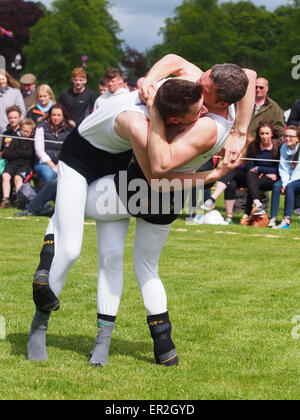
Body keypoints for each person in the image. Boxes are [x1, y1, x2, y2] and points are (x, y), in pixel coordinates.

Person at [27, 59, 256, 364]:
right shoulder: (164, 114)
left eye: (205, 92)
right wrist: (217, 166)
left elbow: (160, 172)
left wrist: (238, 135)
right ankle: (155, 346)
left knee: (106, 251)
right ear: (174, 119)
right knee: (106, 257)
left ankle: (92, 338)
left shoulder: (199, 114)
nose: (198, 95)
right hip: (114, 171)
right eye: (201, 83)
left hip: (140, 181)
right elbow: (158, 173)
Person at [234, 119, 282, 225]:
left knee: (253, 183)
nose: (264, 136)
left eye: (267, 133)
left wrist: (260, 168)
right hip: (255, 177)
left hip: (270, 179)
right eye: (262, 133)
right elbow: (250, 166)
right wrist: (261, 170)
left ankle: (247, 212)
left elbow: (279, 168)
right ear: (259, 134)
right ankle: (257, 203)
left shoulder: (278, 147)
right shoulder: (253, 145)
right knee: (251, 176)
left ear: (272, 134)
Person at [34, 104, 74, 185]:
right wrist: (52, 166)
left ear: (63, 116)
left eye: (59, 115)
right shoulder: (41, 127)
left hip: (63, 163)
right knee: (49, 175)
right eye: (54, 115)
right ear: (50, 116)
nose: (56, 118)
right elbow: (39, 151)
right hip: (43, 163)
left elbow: (70, 151)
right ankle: (47, 196)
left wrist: (59, 166)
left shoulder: (69, 129)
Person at [268, 126, 300, 229]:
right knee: (276, 186)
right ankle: (273, 219)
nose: (287, 138)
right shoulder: (283, 147)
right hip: (287, 178)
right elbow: (283, 167)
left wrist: (287, 184)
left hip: (297, 178)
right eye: (286, 136)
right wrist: (284, 183)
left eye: (291, 136)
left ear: (297, 138)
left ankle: (286, 220)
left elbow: (298, 170)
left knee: (290, 187)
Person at [0, 118, 35, 208]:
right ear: (21, 129)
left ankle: (19, 200)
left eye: (28, 132)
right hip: (13, 163)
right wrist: (19, 152)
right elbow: (8, 154)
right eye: (24, 131)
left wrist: (16, 152)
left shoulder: (32, 141)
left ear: (31, 132)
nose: (25, 133)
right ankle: (5, 199)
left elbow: (29, 154)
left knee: (17, 177)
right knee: (5, 175)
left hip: (26, 165)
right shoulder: (15, 138)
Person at [0, 70, 26, 144]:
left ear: (7, 79)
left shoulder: (15, 93)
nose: (1, 81)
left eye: (3, 79)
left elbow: (22, 112)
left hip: (10, 132)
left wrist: (15, 126)